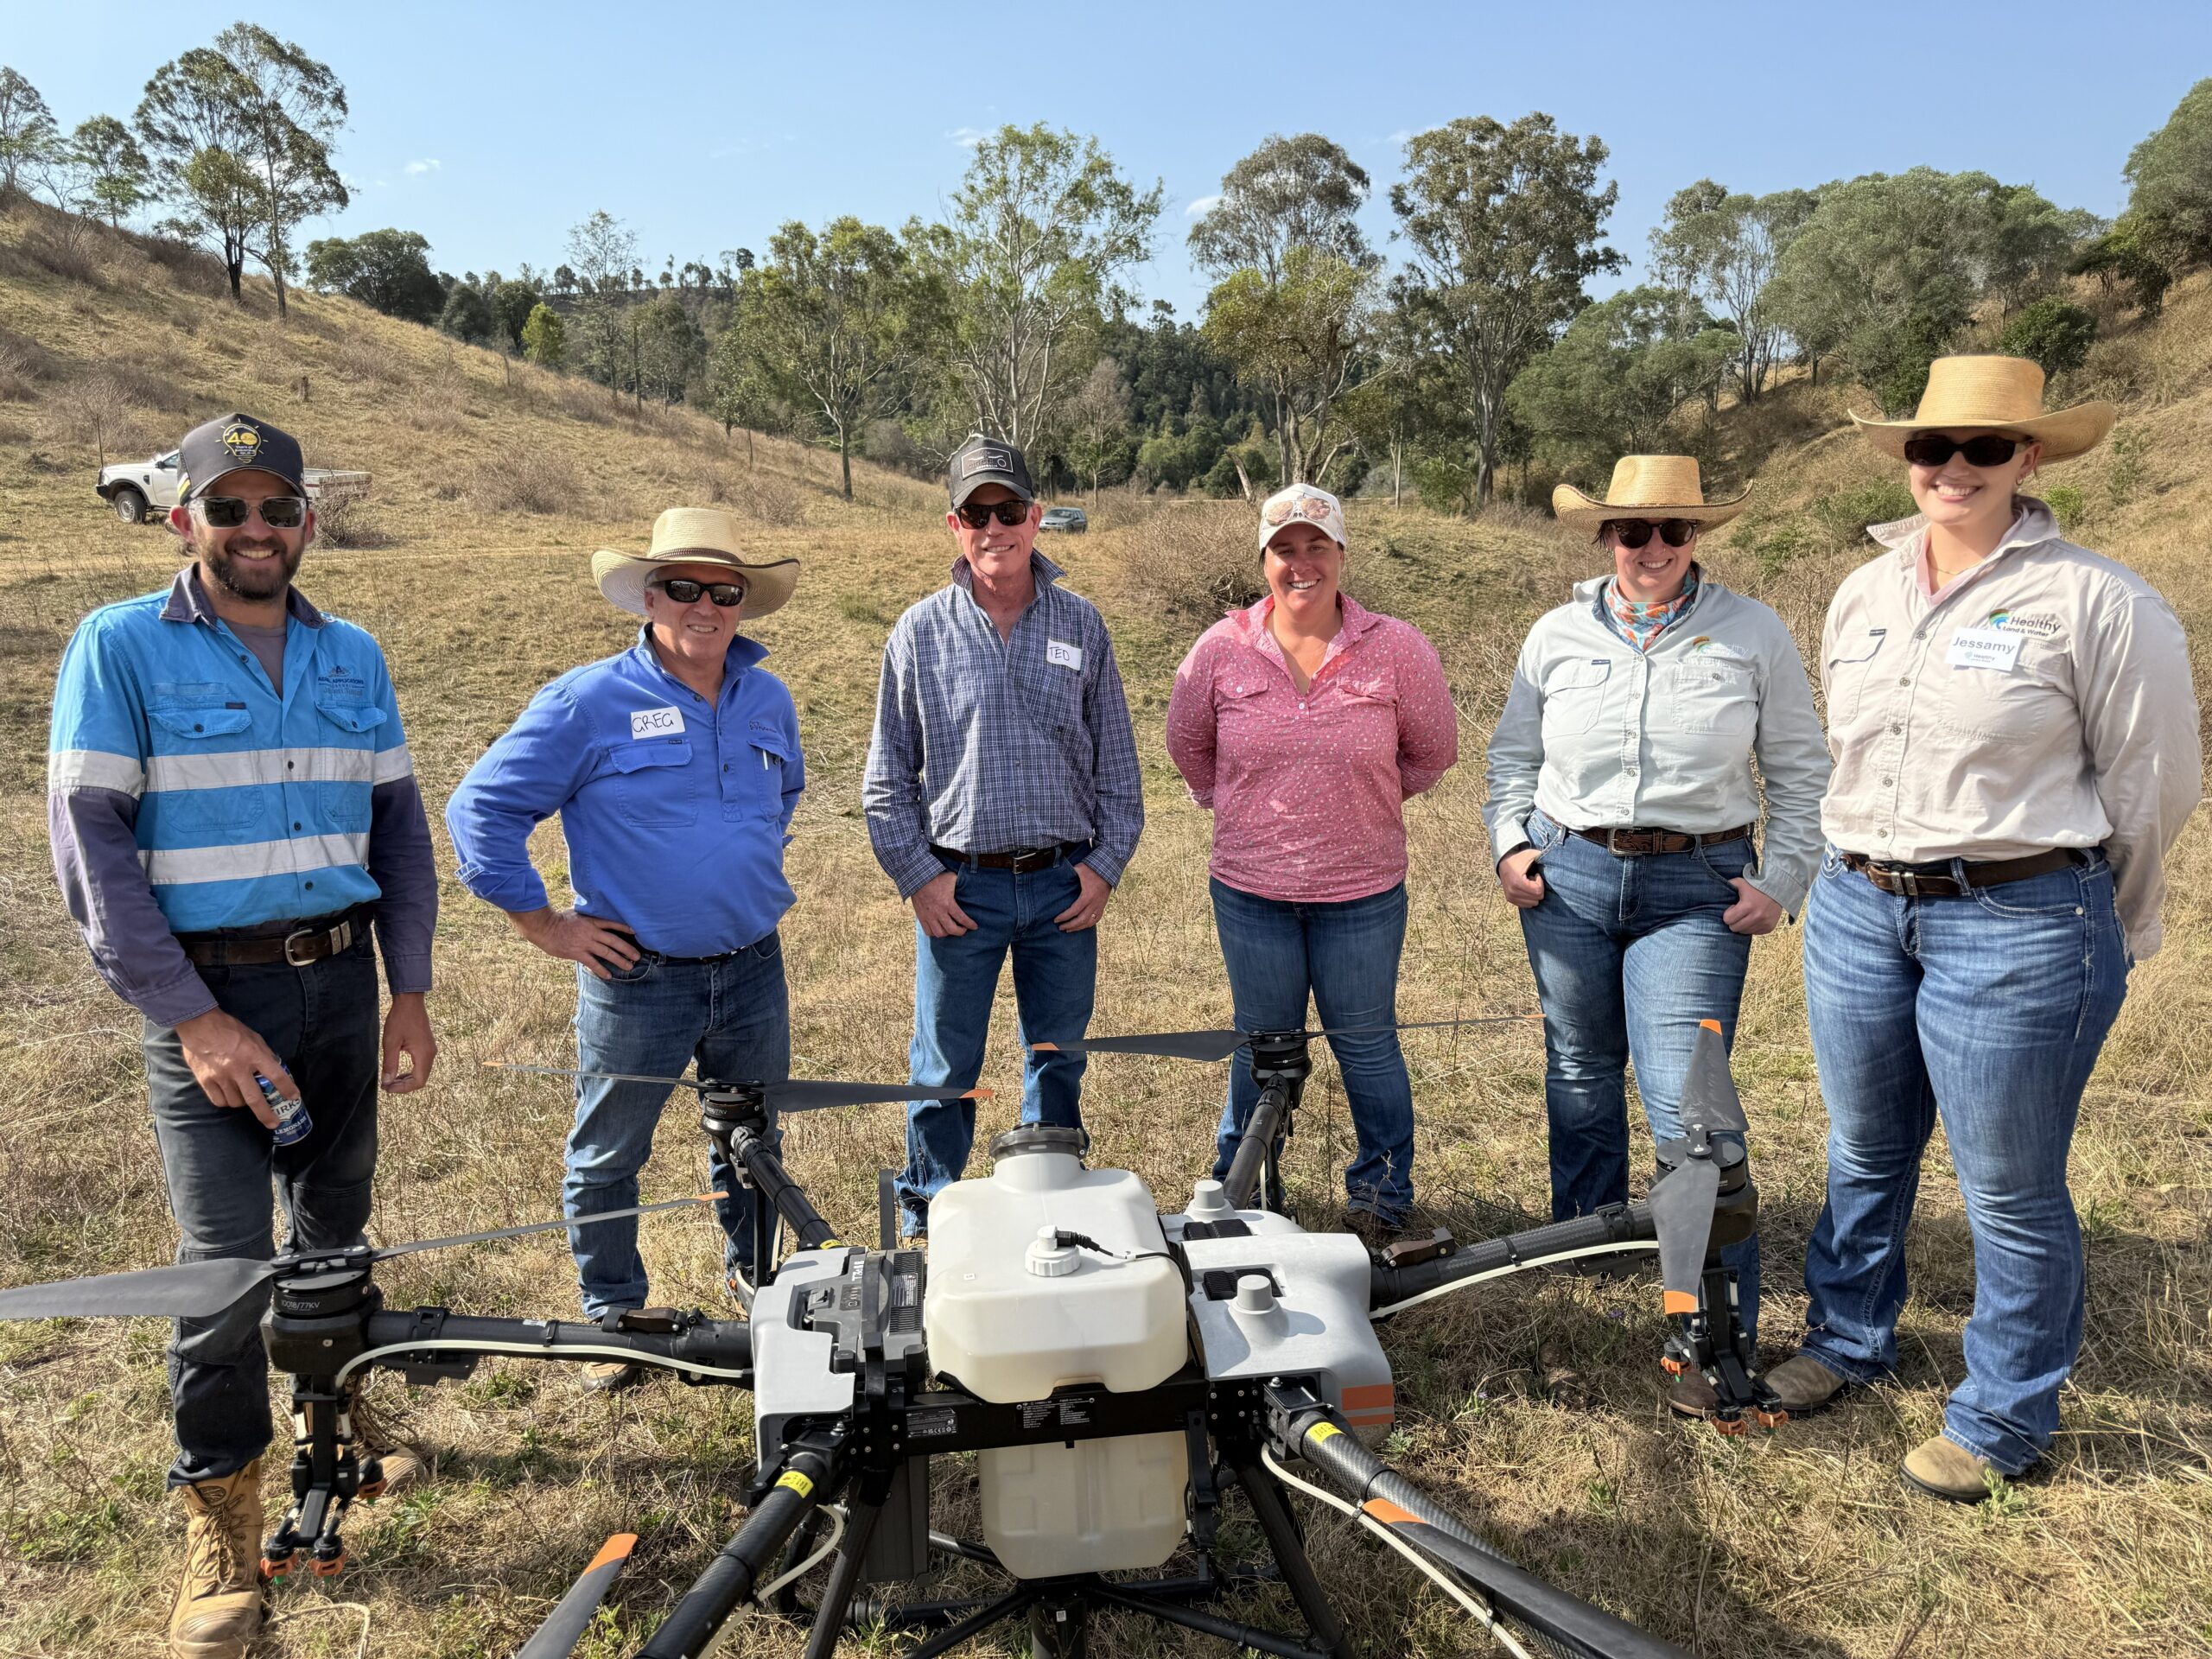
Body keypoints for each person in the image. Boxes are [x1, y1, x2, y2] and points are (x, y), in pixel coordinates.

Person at [1760, 356, 2200, 1498]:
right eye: (1932, 448)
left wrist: (2109, 923)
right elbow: (1849, 758)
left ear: (2031, 459)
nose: (1953, 468)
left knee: (2007, 1186)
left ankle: (2003, 1416)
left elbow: (2154, 783)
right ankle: (1846, 1340)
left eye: (1984, 449)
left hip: (2018, 918)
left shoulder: (2098, 601)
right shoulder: (1862, 594)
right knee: (1861, 1150)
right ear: (1907, 462)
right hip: (1860, 905)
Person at [46, 412, 438, 1659]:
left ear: (306, 521)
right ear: (185, 521)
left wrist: (410, 990)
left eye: (279, 509)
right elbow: (92, 855)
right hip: (210, 1003)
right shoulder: (118, 648)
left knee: (336, 1232)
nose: (257, 529)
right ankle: (221, 1525)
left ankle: (341, 1417)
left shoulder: (354, 653)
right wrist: (196, 1021)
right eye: (231, 509)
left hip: (339, 985)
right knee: (222, 1275)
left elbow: (400, 833)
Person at [1484, 455, 1829, 1415]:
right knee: (1581, 1071)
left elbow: (1801, 769)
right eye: (1633, 531)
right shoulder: (1554, 634)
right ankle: (1591, 1244)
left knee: (1691, 1109)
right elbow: (1511, 756)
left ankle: (1707, 1323)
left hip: (1696, 887)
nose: (1652, 549)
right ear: (1604, 538)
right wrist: (1512, 844)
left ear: (1697, 540)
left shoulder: (1752, 633)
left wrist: (1780, 880)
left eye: (1673, 531)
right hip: (1571, 875)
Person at [446, 509, 802, 1389]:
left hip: (753, 967)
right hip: (636, 978)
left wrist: (726, 874)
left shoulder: (768, 696)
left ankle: (756, 1292)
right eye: (682, 587)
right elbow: (477, 814)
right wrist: (545, 925)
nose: (704, 606)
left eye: (723, 591)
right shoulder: (586, 702)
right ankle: (613, 1318)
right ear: (648, 596)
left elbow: (780, 798)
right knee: (609, 1153)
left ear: (742, 603)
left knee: (752, 1143)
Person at [863, 436, 1143, 1237]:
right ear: (955, 524)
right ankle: (931, 1218)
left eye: (1009, 510)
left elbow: (1121, 769)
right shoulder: (918, 633)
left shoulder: (1083, 624)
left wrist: (1104, 868)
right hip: (961, 887)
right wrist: (921, 877)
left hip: (1063, 885)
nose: (995, 527)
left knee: (1056, 1054)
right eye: (976, 513)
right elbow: (885, 783)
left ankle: (1047, 1203)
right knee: (944, 1067)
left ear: (1036, 515)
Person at [1165, 483, 1458, 1243]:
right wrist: (1235, 803)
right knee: (1262, 1044)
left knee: (1365, 1043)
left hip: (1362, 892)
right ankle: (1246, 1190)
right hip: (1250, 891)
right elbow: (1189, 749)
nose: (1301, 564)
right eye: (1284, 550)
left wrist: (1359, 800)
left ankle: (1383, 1199)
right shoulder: (1220, 648)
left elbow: (1432, 753)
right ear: (1263, 560)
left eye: (1316, 547)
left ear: (1341, 554)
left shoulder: (1397, 647)